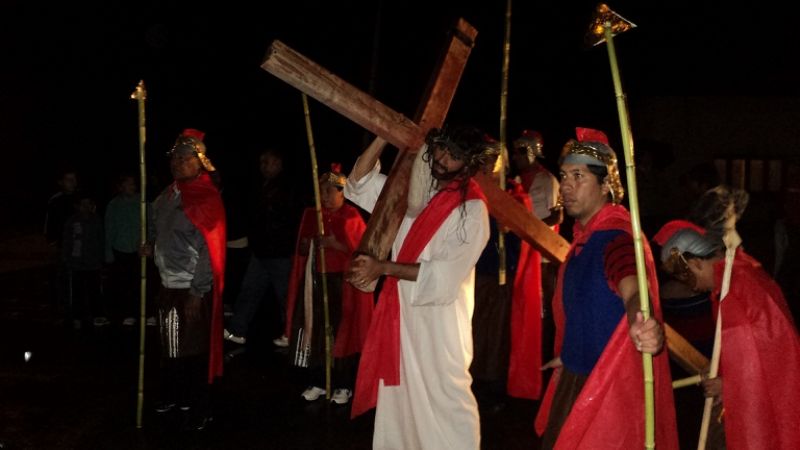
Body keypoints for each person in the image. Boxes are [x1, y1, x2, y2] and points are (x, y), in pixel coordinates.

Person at [346, 126, 491, 449]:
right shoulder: (412, 194)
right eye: (440, 148)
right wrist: (385, 133)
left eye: (453, 155)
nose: (441, 158)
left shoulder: (472, 210)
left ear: (468, 163)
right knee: (400, 402)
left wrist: (383, 268)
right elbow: (358, 183)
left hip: (440, 326)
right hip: (402, 320)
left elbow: (444, 276)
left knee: (447, 399)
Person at [535, 127, 678, 449]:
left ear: (606, 185)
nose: (566, 186)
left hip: (605, 388)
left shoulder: (615, 239)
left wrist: (642, 318)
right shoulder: (586, 239)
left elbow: (632, 287)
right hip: (577, 375)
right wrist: (569, 354)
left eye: (578, 176)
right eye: (564, 175)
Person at [655, 215, 800, 448]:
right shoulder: (739, 273)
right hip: (775, 387)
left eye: (686, 277)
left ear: (696, 264)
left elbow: (754, 359)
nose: (689, 286)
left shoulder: (734, 290)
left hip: (766, 395)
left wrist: (729, 383)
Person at [143, 128, 226, 430]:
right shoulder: (166, 196)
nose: (176, 163)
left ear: (199, 162)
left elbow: (208, 249)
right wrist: (152, 248)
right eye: (174, 158)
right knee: (171, 346)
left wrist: (197, 290)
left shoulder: (206, 197)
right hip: (167, 284)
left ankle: (201, 405)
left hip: (192, 286)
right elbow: (163, 234)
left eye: (184, 158)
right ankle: (176, 396)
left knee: (193, 350)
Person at [285, 164, 373, 405]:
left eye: (328, 191)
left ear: (341, 192)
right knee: (316, 331)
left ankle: (343, 384)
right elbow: (301, 249)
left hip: (340, 284)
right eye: (320, 192)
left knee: (340, 334)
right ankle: (318, 381)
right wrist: (307, 245)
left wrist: (336, 245)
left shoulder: (352, 217)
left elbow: (362, 254)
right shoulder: (312, 215)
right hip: (316, 280)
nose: (323, 197)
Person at [224, 149, 302, 347]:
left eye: (267, 162)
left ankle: (292, 333)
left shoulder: (287, 186)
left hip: (279, 252)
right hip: (262, 250)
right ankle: (236, 329)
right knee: (250, 290)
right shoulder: (262, 185)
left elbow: (286, 217)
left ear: (278, 163)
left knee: (286, 295)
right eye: (261, 163)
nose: (263, 167)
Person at [510, 130, 563, 365]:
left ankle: (545, 356)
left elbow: (556, 216)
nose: (516, 157)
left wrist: (531, 229)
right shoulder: (516, 182)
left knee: (544, 309)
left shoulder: (547, 180)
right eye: (515, 151)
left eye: (521, 151)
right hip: (519, 253)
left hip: (542, 255)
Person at [62, 190, 107, 329]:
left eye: (89, 204)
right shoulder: (72, 221)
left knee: (95, 290)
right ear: (77, 206)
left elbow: (101, 239)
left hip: (93, 263)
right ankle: (77, 316)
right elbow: (67, 241)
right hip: (76, 263)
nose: (86, 207)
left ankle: (97, 315)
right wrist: (67, 259)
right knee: (77, 291)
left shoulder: (96, 220)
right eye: (83, 204)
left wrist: (102, 257)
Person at [105, 174, 144, 326]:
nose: (132, 187)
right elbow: (109, 229)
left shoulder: (142, 202)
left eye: (133, 184)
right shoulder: (114, 205)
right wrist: (108, 253)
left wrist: (150, 243)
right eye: (128, 184)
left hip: (140, 249)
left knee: (141, 283)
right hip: (120, 249)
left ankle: (144, 312)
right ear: (120, 187)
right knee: (124, 284)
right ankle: (128, 313)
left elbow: (151, 224)